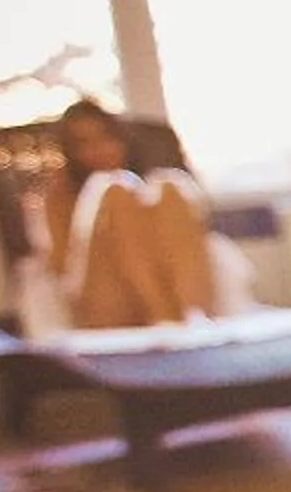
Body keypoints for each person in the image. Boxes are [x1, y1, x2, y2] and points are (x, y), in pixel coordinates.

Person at [32, 99, 225, 330]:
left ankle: (190, 318)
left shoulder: (151, 184)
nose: (99, 149)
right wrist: (110, 236)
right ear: (71, 152)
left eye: (106, 137)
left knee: (170, 187)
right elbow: (62, 268)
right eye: (84, 143)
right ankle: (167, 319)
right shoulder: (62, 194)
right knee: (117, 192)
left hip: (172, 290)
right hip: (103, 300)